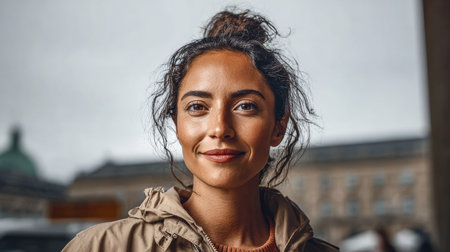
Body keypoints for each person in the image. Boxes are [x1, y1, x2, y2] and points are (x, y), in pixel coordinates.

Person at [63, 8, 339, 252]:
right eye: (197, 107)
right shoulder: (101, 247)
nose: (220, 128)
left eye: (245, 106)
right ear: (176, 124)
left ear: (279, 125)